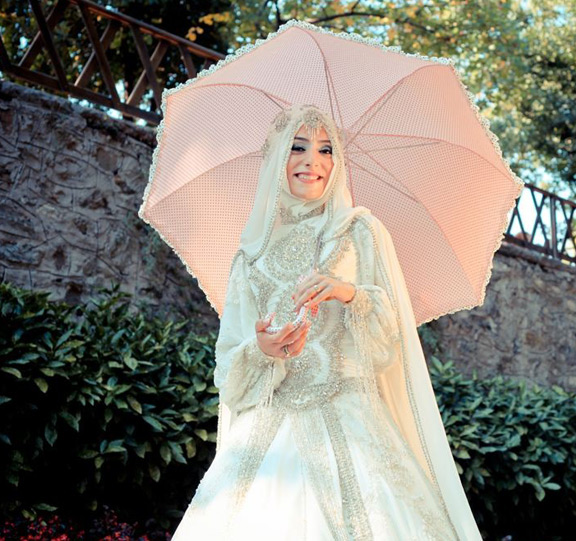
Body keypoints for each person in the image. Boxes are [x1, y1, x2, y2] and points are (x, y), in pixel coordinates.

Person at [171, 104, 483, 540]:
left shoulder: (360, 231)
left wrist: (348, 292)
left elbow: (390, 338)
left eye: (326, 149)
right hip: (270, 429)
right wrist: (263, 349)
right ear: (276, 157)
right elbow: (230, 367)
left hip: (353, 422)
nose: (312, 161)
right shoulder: (250, 253)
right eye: (297, 147)